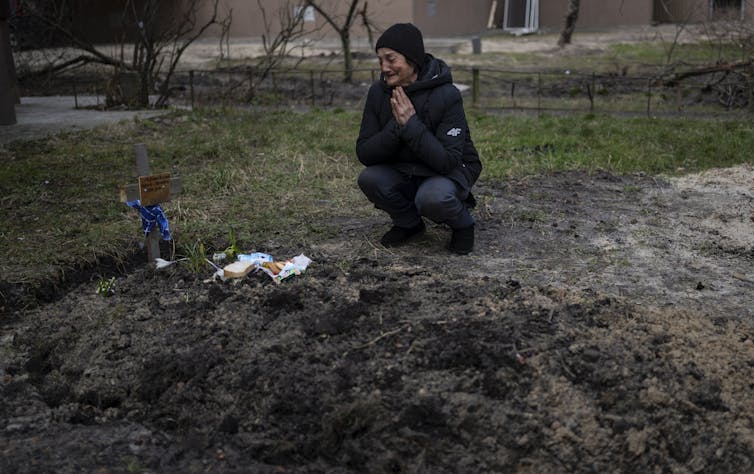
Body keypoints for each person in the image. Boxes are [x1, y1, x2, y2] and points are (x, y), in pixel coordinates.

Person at [356, 23, 482, 255]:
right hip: (405, 168)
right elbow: (365, 152)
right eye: (380, 60)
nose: (384, 67)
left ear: (412, 59)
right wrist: (398, 126)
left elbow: (447, 161)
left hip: (448, 171)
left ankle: (463, 224)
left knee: (432, 198)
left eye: (391, 59)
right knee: (370, 178)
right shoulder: (378, 93)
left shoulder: (447, 95)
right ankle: (409, 224)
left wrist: (411, 125)